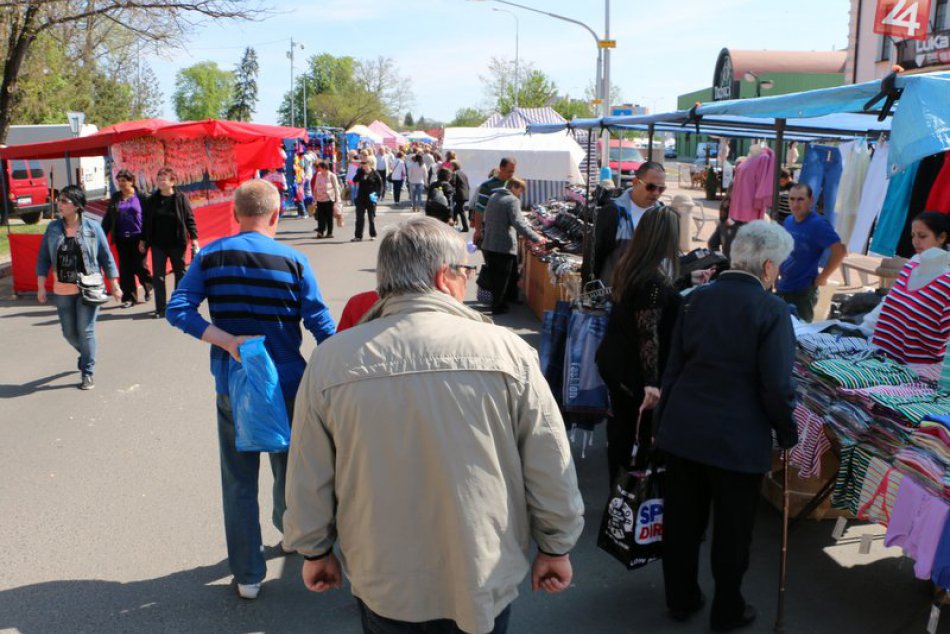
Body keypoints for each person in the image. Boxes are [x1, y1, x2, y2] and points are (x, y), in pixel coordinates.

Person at [283, 216, 584, 634]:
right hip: (482, 568)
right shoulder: (507, 352)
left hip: (383, 575)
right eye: (466, 272)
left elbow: (308, 470)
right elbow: (549, 460)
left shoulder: (333, 359)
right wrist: (556, 544)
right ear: (445, 276)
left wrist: (314, 549)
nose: (467, 282)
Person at [166, 179, 336, 601]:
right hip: (290, 386)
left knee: (238, 481)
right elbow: (320, 323)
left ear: (235, 214)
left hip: (233, 386)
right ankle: (291, 533)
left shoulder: (209, 256)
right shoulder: (295, 261)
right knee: (291, 470)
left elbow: (178, 309)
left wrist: (226, 341)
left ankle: (247, 574)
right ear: (276, 215)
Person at [655, 220, 797, 632]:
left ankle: (681, 599)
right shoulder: (770, 309)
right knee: (732, 532)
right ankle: (727, 609)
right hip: (738, 438)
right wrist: (786, 430)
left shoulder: (696, 298)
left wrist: (663, 423)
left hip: (684, 429)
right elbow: (777, 385)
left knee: (682, 523)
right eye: (780, 266)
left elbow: (673, 368)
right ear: (768, 267)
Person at [595, 206, 683, 481]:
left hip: (616, 363)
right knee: (633, 436)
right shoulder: (653, 282)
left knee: (621, 430)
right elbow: (648, 334)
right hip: (633, 373)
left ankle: (618, 490)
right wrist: (651, 382)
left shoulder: (631, 267)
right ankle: (627, 495)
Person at [36, 185, 122, 390]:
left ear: (76, 205)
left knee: (85, 330)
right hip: (62, 288)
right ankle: (85, 354)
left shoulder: (93, 227)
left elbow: (106, 257)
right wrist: (40, 287)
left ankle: (87, 371)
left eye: (64, 201)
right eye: (59, 200)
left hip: (88, 288)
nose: (59, 204)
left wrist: (114, 285)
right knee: (68, 332)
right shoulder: (53, 228)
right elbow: (43, 258)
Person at [865, 211, 950, 364]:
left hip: (915, 372)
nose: (916, 241)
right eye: (913, 236)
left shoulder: (946, 284)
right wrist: (864, 327)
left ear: (942, 237)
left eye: (922, 236)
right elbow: (888, 303)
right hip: (877, 358)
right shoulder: (911, 265)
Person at [775, 183, 847, 322]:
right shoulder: (789, 221)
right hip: (783, 286)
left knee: (800, 334)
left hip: (803, 291)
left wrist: (823, 277)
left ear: (811, 200)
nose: (795, 204)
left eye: (800, 199)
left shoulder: (818, 224)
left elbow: (840, 251)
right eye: (792, 199)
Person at [592, 161, 666, 284]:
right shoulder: (612, 212)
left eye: (661, 189)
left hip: (648, 294)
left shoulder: (662, 213)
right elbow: (595, 257)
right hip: (614, 295)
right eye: (651, 187)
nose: (656, 193)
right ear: (636, 182)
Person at [481, 178, 546, 315]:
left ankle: (503, 301)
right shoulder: (512, 201)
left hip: (489, 242)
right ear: (514, 187)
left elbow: (486, 217)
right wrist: (536, 237)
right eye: (521, 190)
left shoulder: (494, 196)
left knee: (495, 275)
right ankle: (498, 306)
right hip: (504, 244)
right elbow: (518, 223)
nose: (520, 194)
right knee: (503, 277)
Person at [141, 167, 199, 319]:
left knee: (180, 273)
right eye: (158, 179)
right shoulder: (152, 200)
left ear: (172, 181)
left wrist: (194, 239)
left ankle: (177, 304)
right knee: (158, 276)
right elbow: (146, 222)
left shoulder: (180, 198)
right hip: (158, 244)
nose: (160, 182)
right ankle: (160, 308)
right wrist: (143, 240)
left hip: (177, 242)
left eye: (163, 179)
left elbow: (189, 219)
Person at [101, 169, 152, 307]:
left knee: (140, 266)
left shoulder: (141, 197)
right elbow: (108, 218)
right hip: (122, 239)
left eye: (124, 181)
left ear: (131, 181)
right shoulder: (116, 197)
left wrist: (145, 239)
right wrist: (101, 235)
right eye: (119, 181)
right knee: (125, 269)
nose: (121, 184)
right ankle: (129, 298)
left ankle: (148, 287)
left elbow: (148, 219)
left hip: (139, 238)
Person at [472, 157, 516, 245]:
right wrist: (478, 231)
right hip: (491, 229)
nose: (511, 174)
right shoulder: (487, 185)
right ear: (501, 168)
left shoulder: (513, 183)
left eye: (513, 171)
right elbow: (480, 209)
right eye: (509, 171)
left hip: (508, 229)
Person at [352, 159, 382, 242]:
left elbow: (380, 185)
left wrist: (378, 194)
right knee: (359, 218)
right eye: (361, 163)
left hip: (371, 198)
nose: (362, 164)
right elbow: (354, 180)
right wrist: (360, 172)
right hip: (361, 198)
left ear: (369, 164)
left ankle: (373, 234)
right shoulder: (360, 172)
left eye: (364, 163)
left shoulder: (375, 173)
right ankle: (358, 236)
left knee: (371, 218)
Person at [311, 161, 342, 239]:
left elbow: (336, 188)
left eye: (320, 168)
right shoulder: (318, 175)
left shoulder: (332, 176)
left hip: (329, 199)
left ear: (324, 168)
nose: (318, 169)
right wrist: (314, 197)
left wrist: (337, 199)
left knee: (329, 216)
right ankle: (320, 232)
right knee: (320, 216)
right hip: (319, 199)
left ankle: (329, 232)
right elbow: (315, 187)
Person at [449, 159, 470, 232]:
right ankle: (452, 225)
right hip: (464, 194)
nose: (450, 167)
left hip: (459, 195)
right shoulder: (463, 173)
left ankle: (454, 226)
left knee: (460, 210)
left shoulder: (454, 173)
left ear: (454, 166)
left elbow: (453, 183)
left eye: (451, 165)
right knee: (458, 210)